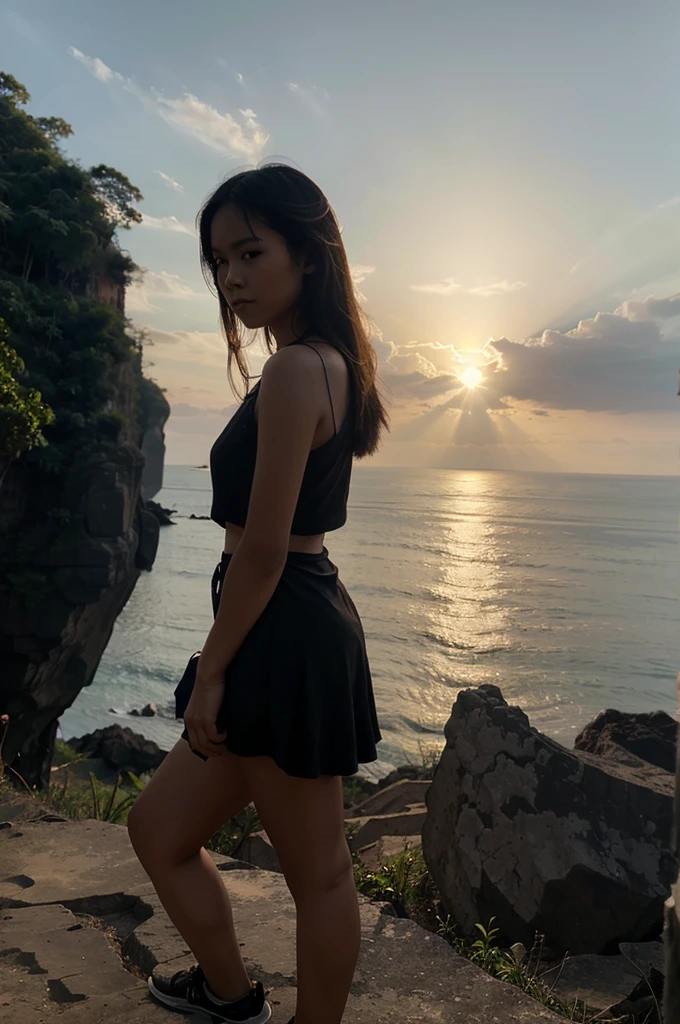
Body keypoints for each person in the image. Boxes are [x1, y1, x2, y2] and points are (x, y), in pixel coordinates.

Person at [127, 163, 390, 1024]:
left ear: (307, 256)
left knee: (319, 873)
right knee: (159, 832)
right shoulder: (328, 363)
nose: (233, 277)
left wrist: (211, 672)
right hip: (286, 621)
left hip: (280, 627)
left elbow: (266, 551)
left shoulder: (292, 373)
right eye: (219, 262)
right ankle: (229, 996)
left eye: (251, 252)